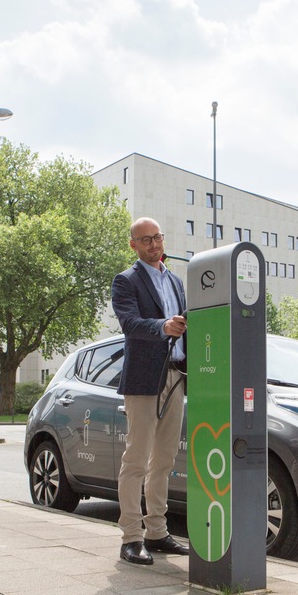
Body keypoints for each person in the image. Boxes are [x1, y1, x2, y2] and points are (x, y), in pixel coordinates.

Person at [110, 217, 190, 565]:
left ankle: (157, 531)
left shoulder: (174, 280)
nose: (154, 245)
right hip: (144, 380)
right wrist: (163, 326)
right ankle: (131, 537)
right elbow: (130, 324)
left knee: (166, 460)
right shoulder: (126, 281)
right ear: (134, 245)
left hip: (176, 377)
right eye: (146, 240)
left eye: (157, 237)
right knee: (137, 459)